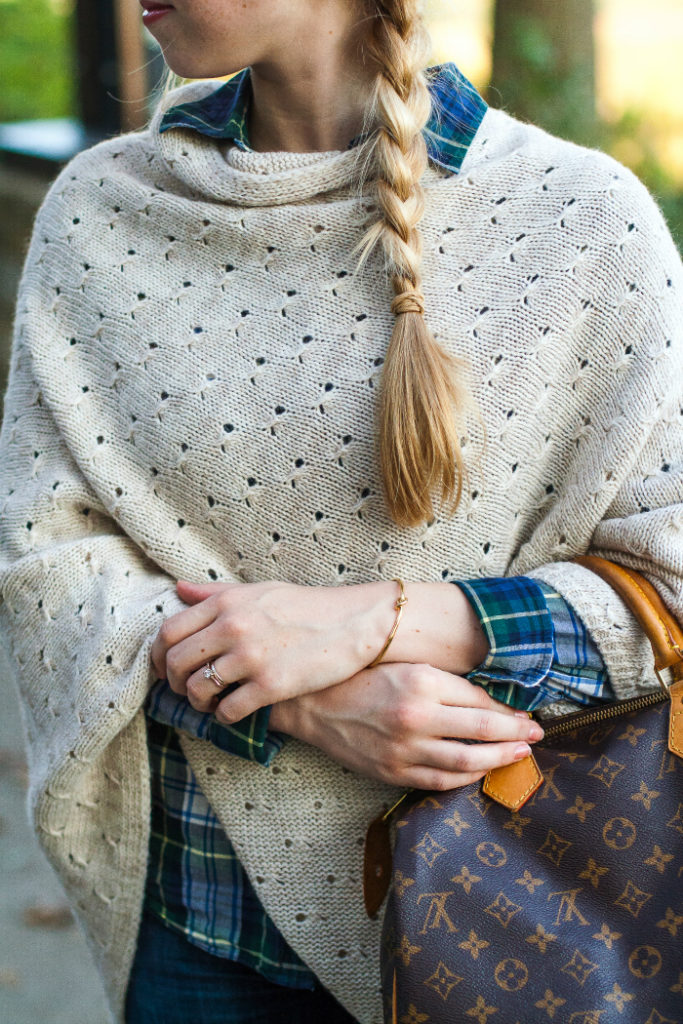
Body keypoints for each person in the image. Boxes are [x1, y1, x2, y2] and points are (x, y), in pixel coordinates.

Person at [0, 1, 681, 1023]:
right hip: (198, 927)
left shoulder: (582, 221)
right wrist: (296, 704)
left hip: (521, 928)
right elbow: (48, 559)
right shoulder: (102, 210)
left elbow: (664, 586)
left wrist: (383, 622)